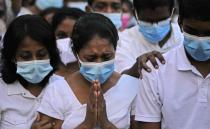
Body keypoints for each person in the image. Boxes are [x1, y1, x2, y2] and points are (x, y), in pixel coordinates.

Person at [36, 13, 139, 129]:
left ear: (115, 50)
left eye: (106, 57)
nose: (99, 64)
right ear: (76, 54)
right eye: (91, 58)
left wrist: (104, 122)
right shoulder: (57, 91)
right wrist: (87, 123)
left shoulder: (132, 87)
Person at [135, 0, 210, 128]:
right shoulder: (155, 70)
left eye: (208, 34)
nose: (200, 40)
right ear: (180, 23)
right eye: (192, 31)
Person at [0, 15, 61, 129]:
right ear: (12, 57)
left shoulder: (63, 87)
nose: (35, 62)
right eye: (25, 56)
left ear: (50, 53)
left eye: (41, 55)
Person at [115, 0, 183, 78]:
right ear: (135, 14)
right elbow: (122, 76)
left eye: (162, 20)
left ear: (172, 12)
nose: (155, 26)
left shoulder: (183, 36)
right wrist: (137, 66)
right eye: (148, 21)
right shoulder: (123, 40)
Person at [52, 7, 85, 75]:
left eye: (75, 35)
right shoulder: (44, 78)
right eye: (61, 35)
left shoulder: (94, 76)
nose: (69, 41)